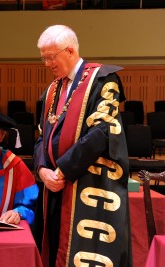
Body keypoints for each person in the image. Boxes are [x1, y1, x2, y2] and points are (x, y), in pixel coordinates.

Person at [33, 25, 132, 266]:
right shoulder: (52, 90)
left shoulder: (103, 79)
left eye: (50, 57)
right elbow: (39, 136)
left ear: (69, 51)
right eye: (43, 58)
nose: (46, 64)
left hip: (87, 183)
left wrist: (63, 170)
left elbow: (102, 132)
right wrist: (43, 169)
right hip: (54, 186)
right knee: (54, 246)